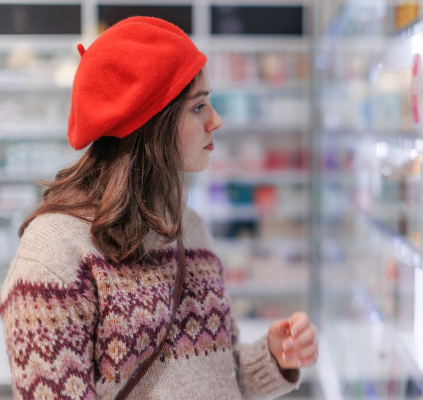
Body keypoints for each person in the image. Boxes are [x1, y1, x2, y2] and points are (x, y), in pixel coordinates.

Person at [0, 17, 318, 400]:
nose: (216, 120)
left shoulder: (190, 228)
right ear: (151, 123)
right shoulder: (53, 253)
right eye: (198, 107)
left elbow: (212, 374)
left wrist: (273, 357)